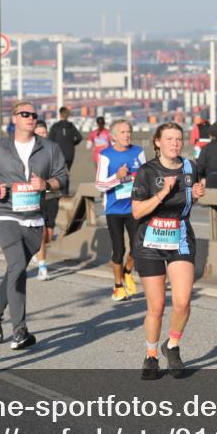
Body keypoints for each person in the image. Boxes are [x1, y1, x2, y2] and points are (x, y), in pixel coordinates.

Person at [0, 101, 68, 351]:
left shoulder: (49, 148)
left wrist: (47, 184)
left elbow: (63, 177)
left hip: (34, 218)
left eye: (34, 114)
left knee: (15, 270)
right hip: (7, 214)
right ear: (14, 119)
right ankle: (19, 330)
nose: (31, 118)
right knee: (18, 266)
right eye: (25, 114)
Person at [130, 122, 205, 379]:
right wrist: (162, 193)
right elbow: (137, 211)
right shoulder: (147, 171)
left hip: (180, 237)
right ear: (158, 142)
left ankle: (171, 345)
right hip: (150, 242)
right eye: (169, 139)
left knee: (183, 301)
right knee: (157, 305)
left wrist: (195, 194)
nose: (174, 143)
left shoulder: (190, 167)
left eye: (178, 139)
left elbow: (187, 200)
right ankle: (151, 356)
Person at [94, 119, 146, 300]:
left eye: (129, 131)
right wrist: (117, 177)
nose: (127, 135)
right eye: (123, 132)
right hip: (114, 209)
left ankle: (127, 272)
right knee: (118, 250)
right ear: (113, 136)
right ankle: (117, 286)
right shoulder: (106, 155)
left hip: (134, 207)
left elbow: (145, 176)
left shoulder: (138, 152)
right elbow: (100, 185)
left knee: (137, 247)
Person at [33, 120, 64, 281]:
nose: (42, 136)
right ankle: (42, 266)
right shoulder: (29, 153)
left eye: (44, 133)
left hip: (52, 194)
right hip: (35, 196)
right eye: (39, 133)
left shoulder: (53, 150)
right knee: (41, 230)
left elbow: (61, 172)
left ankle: (37, 250)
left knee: (49, 233)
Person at [49, 106, 82, 175]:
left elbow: (50, 141)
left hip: (58, 154)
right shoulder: (71, 126)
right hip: (70, 154)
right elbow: (79, 137)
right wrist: (73, 143)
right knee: (67, 173)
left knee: (59, 174)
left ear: (60, 114)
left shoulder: (55, 126)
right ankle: (66, 185)